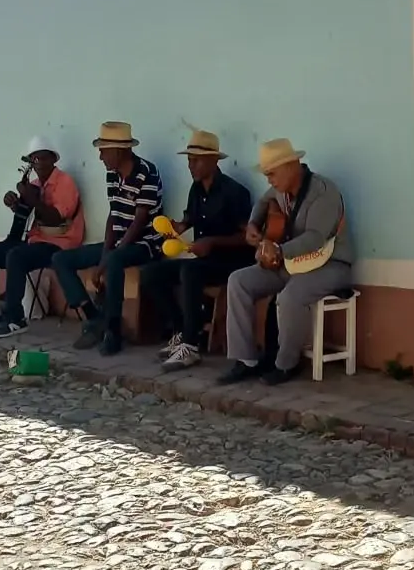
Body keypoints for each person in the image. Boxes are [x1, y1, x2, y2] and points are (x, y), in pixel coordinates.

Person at [218, 139, 353, 387]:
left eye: (271, 173)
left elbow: (315, 237)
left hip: (331, 265)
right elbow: (261, 203)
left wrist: (278, 250)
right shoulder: (281, 189)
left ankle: (286, 364)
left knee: (291, 296)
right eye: (266, 174)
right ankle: (245, 360)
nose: (269, 179)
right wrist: (253, 224)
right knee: (238, 281)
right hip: (292, 262)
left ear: (292, 166)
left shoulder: (323, 192)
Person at [139, 129, 253, 372]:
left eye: (196, 160)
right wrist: (174, 228)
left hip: (232, 262)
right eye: (189, 160)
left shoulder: (235, 192)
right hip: (203, 259)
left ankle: (190, 347)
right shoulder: (196, 189)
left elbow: (247, 238)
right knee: (151, 274)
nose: (190, 166)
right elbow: (188, 220)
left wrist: (212, 242)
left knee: (190, 272)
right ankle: (183, 331)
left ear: (213, 160)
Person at [52, 121, 163, 356]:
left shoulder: (147, 172)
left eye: (103, 150)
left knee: (114, 261)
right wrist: (105, 253)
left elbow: (140, 221)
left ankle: (113, 330)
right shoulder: (112, 176)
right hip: (120, 243)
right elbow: (114, 216)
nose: (101, 157)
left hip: (145, 243)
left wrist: (108, 258)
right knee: (61, 259)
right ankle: (94, 318)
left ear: (119, 151)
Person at [0, 137, 85, 338]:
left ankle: (15, 319)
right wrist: (14, 203)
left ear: (53, 159)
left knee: (16, 256)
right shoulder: (35, 185)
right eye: (34, 160)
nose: (38, 164)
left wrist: (32, 198)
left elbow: (55, 219)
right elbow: (25, 215)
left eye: (43, 158)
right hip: (35, 241)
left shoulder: (65, 182)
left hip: (60, 244)